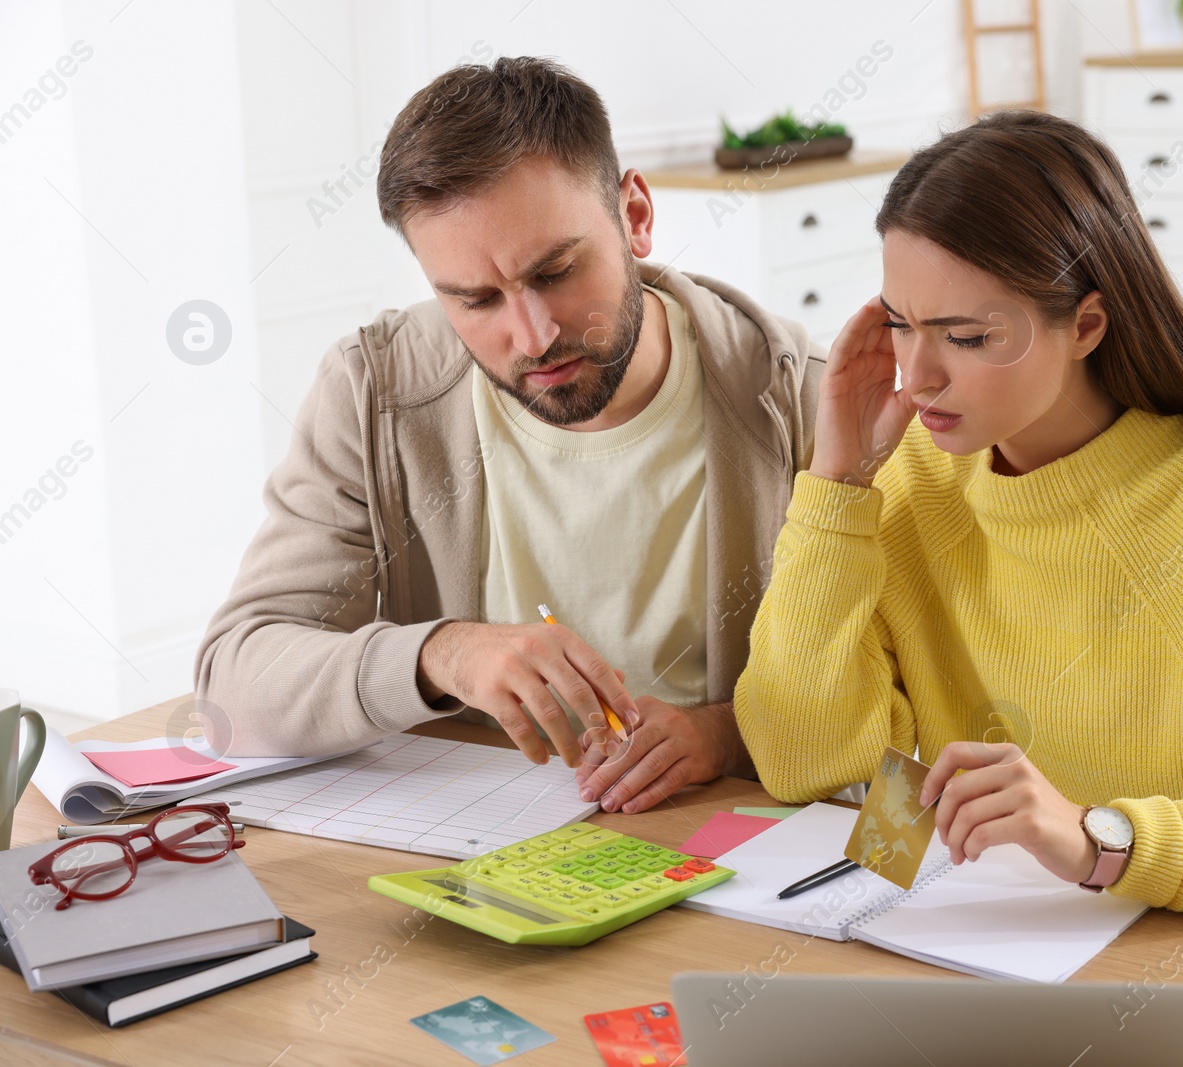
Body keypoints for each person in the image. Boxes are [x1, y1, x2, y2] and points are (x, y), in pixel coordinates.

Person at [734, 110, 1183, 920]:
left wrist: (1102, 839)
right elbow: (802, 761)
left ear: (1088, 326)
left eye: (965, 336)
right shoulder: (909, 480)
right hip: (979, 943)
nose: (916, 374)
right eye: (899, 324)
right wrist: (838, 485)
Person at [196, 57, 824, 813]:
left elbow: (898, 696)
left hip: (727, 847)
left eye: (556, 271)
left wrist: (726, 735)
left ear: (636, 217)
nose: (533, 336)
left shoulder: (801, 395)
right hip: (480, 848)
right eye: (476, 299)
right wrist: (443, 654)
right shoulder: (374, 390)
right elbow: (234, 680)